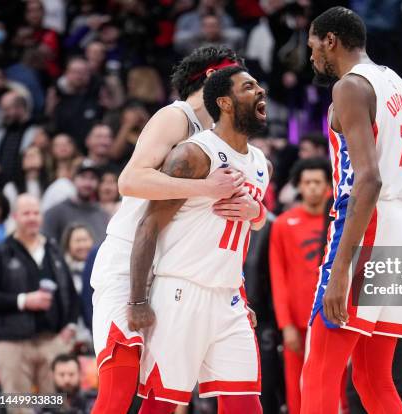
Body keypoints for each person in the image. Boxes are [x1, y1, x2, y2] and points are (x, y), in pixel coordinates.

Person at [300, 7, 402, 413]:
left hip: (368, 223)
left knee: (320, 372)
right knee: (373, 378)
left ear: (331, 40)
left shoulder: (349, 86)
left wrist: (340, 270)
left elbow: (369, 179)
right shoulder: (398, 84)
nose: (311, 57)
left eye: (313, 46)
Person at [89, 47, 248, 414]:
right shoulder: (176, 116)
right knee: (118, 391)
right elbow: (129, 181)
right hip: (128, 259)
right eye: (238, 78)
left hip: (171, 270)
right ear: (213, 78)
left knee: (160, 396)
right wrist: (206, 188)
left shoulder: (219, 138)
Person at [129, 66, 269, 414]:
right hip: (181, 293)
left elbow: (240, 233)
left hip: (229, 299)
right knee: (161, 405)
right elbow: (148, 225)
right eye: (248, 87)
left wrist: (258, 214)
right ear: (224, 102)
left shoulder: (261, 163)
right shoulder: (193, 154)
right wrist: (137, 301)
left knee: (247, 404)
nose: (260, 91)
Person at [0, 195, 79, 412]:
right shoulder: (1, 251)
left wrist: (71, 324)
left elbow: (69, 290)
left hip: (51, 340)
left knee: (55, 405)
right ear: (15, 217)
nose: (32, 218)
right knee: (19, 406)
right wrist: (23, 301)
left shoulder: (53, 249)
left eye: (36, 213)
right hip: (12, 342)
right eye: (26, 213)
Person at [269, 157, 331, 414]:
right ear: (298, 186)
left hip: (331, 319)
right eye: (307, 182)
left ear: (328, 185)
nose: (313, 188)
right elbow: (278, 276)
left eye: (318, 182)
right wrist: (286, 325)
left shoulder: (339, 223)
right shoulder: (283, 224)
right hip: (297, 323)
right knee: (297, 391)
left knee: (333, 388)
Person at [43, 163, 109, 244]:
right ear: (73, 179)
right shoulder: (55, 212)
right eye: (83, 177)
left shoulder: (102, 214)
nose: (87, 183)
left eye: (93, 178)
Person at [0, 90, 40, 189]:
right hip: (1, 187)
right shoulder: (1, 132)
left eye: (6, 109)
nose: (3, 114)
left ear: (20, 108)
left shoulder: (38, 131)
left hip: (27, 186)